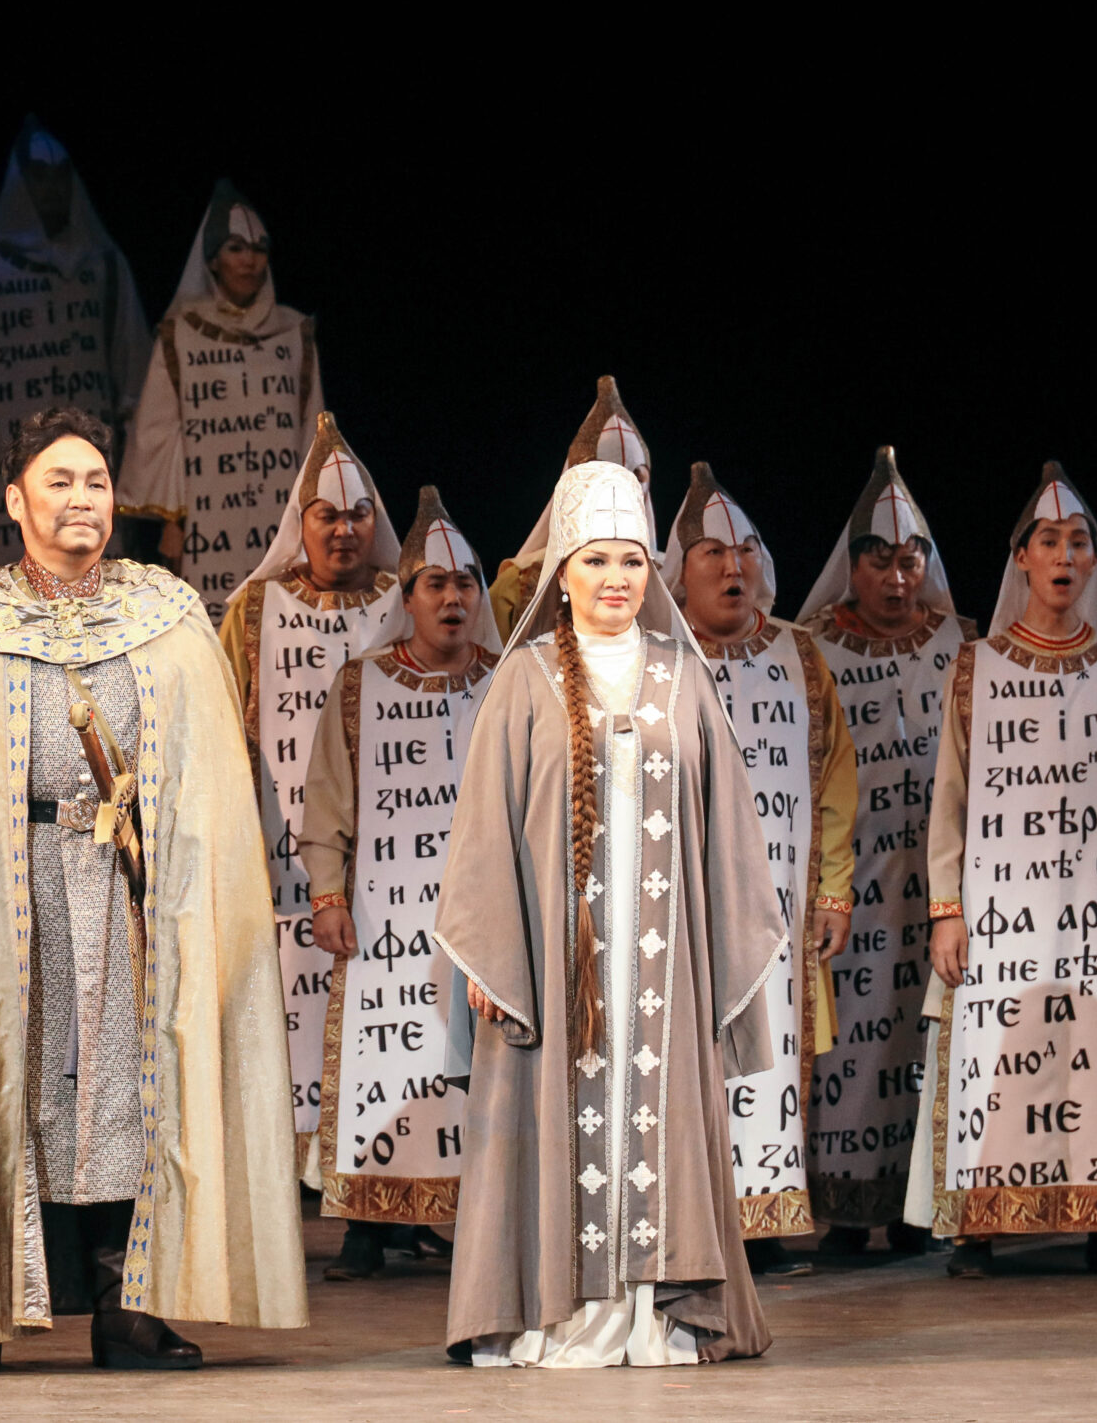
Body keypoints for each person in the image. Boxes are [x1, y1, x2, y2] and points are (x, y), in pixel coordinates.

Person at [0, 406, 305, 1372]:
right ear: (15, 500)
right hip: (8, 889)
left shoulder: (166, 614)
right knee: (7, 1081)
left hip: (131, 896)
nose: (82, 498)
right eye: (59, 480)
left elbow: (210, 779)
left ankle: (128, 1307)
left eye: (96, 481)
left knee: (130, 1091)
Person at [437, 458, 785, 1368]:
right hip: (560, 962)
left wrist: (730, 952)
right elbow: (484, 828)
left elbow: (729, 831)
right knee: (557, 1120)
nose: (616, 578)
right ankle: (556, 1314)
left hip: (664, 964)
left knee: (661, 1115)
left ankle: (661, 1309)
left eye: (632, 560)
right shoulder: (523, 680)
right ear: (562, 572)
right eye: (596, 560)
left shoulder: (683, 677)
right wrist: (492, 957)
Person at [922, 464, 1097, 1278]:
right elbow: (951, 795)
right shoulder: (977, 667)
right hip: (1000, 912)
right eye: (1048, 541)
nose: (1064, 555)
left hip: (1095, 908)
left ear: (1096, 560)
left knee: (1096, 1055)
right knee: (994, 1050)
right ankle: (979, 1227)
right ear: (1022, 558)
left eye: (1078, 542)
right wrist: (946, 908)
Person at [299, 485, 500, 1282]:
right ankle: (366, 1224)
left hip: (483, 918)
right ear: (408, 597)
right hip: (387, 917)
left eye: (465, 583)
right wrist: (327, 894)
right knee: (381, 1063)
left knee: (474, 1068)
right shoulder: (362, 684)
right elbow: (327, 797)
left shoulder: (507, 680)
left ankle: (476, 1221)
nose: (453, 599)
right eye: (436, 584)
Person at [661, 462, 855, 1276]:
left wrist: (835, 888)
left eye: (744, 550)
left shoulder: (799, 655)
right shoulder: (655, 653)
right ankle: (688, 1226)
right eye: (713, 553)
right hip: (675, 901)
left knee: (768, 1055)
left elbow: (836, 777)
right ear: (680, 570)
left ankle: (764, 1223)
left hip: (777, 905)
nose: (732, 565)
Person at [794, 446, 975, 1252]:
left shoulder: (962, 645)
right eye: (881, 562)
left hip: (935, 883)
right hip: (853, 882)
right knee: (853, 1047)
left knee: (920, 1037)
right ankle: (846, 1207)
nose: (898, 579)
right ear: (853, 566)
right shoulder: (811, 648)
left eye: (911, 561)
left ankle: (913, 1207)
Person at [218, 412, 401, 1171]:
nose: (345, 531)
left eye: (359, 514)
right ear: (303, 523)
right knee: (291, 1002)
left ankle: (375, 1164)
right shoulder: (255, 609)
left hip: (391, 846)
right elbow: (223, 722)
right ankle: (289, 1168)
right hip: (281, 852)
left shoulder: (404, 598)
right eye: (328, 515)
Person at [116, 181, 323, 620]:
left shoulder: (293, 332)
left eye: (259, 248)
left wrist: (313, 512)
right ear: (213, 259)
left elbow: (311, 429)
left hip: (277, 513)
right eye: (236, 248)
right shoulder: (182, 334)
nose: (250, 260)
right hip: (208, 522)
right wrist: (173, 520)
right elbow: (162, 433)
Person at [0, 117, 150, 560]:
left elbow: (132, 362)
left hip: (90, 457)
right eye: (40, 177)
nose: (52, 189)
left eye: (61, 177)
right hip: (10, 455)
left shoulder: (103, 263)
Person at [487, 376, 649, 647]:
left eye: (635, 477)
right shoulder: (517, 584)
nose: (617, 493)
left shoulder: (669, 578)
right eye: (600, 477)